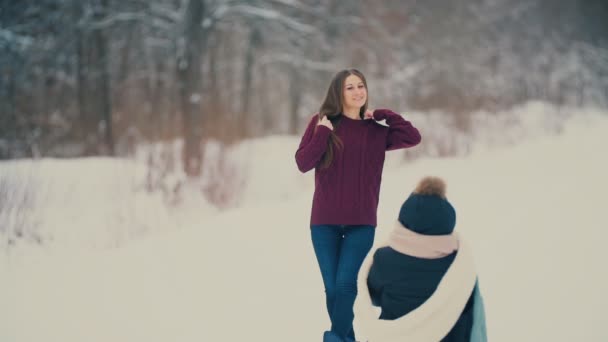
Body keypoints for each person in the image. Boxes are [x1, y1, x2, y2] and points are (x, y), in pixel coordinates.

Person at [295, 69, 422, 342]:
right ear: (338, 93)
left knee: (345, 285)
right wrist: (321, 133)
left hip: (361, 222)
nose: (357, 92)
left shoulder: (377, 132)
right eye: (349, 87)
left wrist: (384, 114)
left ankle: (335, 338)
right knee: (331, 289)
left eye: (360, 86)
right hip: (323, 222)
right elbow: (303, 163)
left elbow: (413, 137)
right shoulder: (321, 124)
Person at [361, 176, 488, 342]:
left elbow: (373, 297)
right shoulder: (458, 264)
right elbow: (468, 313)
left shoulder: (383, 259)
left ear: (404, 220)